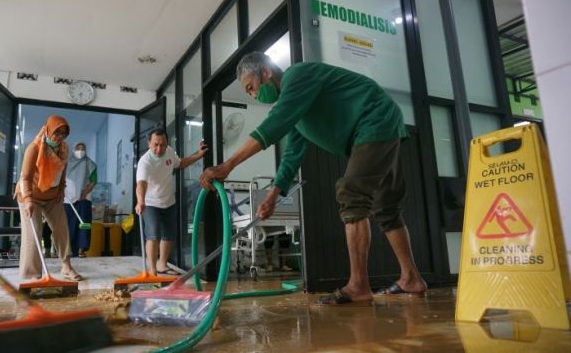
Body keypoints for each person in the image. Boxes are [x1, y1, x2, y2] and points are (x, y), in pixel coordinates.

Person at [199, 52, 427, 304]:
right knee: (386, 208)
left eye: (251, 87)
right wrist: (273, 196)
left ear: (265, 72)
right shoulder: (296, 107)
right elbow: (292, 155)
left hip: (374, 120)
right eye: (249, 93)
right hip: (381, 125)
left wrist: (227, 165)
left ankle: (359, 286)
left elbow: (273, 126)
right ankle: (411, 278)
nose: (253, 95)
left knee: (351, 195)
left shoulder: (298, 76)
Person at [14, 115, 82, 281]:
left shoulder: (64, 149)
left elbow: (62, 173)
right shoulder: (34, 148)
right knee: (33, 234)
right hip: (30, 194)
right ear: (48, 129)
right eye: (57, 133)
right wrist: (29, 200)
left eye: (64, 134)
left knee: (61, 228)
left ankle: (66, 267)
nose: (60, 137)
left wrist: (61, 190)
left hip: (52, 196)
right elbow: (25, 177)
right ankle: (32, 276)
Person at [135, 129, 208, 276]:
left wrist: (198, 154)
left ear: (167, 143)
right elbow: (141, 184)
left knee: (168, 235)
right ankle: (152, 269)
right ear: (149, 143)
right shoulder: (145, 162)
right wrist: (140, 201)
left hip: (169, 201)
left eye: (162, 144)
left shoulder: (169, 152)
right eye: (155, 144)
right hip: (150, 203)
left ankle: (162, 264)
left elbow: (180, 163)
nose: (159, 149)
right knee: (153, 234)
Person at [64, 142, 97, 257]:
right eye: (78, 148)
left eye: (83, 148)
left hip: (84, 199)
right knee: (70, 225)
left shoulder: (90, 163)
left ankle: (81, 249)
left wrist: (85, 192)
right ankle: (70, 250)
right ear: (74, 149)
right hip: (68, 200)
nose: (80, 150)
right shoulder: (67, 164)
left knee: (84, 224)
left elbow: (93, 180)